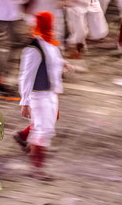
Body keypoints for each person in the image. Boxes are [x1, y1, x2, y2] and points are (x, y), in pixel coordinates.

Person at [18, 12, 73, 180]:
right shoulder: (33, 49)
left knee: (43, 129)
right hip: (39, 96)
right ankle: (37, 169)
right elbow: (25, 76)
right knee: (43, 131)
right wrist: (25, 101)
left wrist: (65, 64)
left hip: (50, 93)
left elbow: (54, 61)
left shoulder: (51, 43)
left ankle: (30, 150)